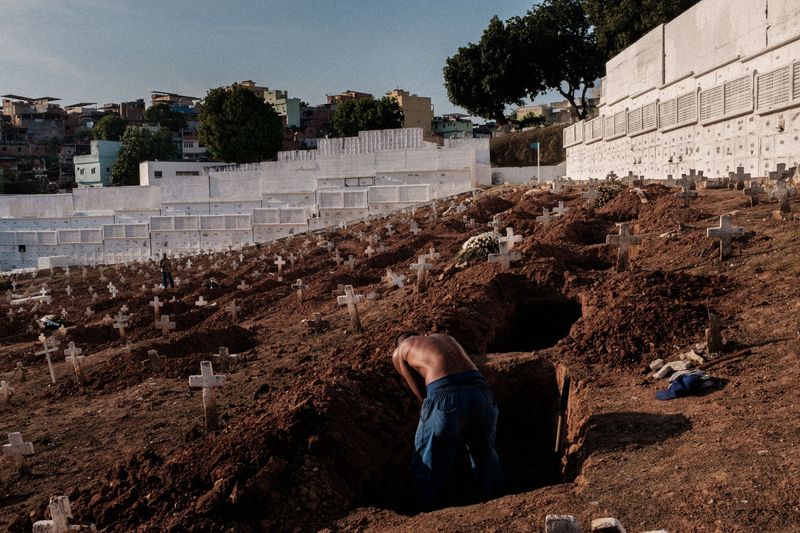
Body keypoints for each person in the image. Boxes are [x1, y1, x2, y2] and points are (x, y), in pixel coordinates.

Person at [392, 332, 502, 509]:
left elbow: (421, 394)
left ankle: (427, 511)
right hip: (481, 395)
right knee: (484, 453)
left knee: (430, 456)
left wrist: (434, 415)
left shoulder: (401, 350)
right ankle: (493, 501)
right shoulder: (445, 338)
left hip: (444, 397)